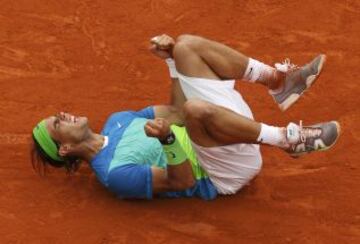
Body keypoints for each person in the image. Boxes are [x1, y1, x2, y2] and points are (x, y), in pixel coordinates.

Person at [31, 34, 340, 200]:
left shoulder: (118, 120)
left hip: (224, 129)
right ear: (65, 150)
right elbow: (183, 180)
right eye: (57, 123)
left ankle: (279, 82)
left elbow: (176, 111)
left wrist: (170, 64)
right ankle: (288, 140)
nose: (63, 115)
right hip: (222, 171)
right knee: (195, 111)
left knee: (185, 46)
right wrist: (167, 140)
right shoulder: (114, 175)